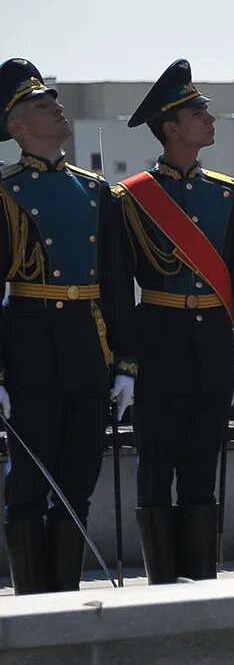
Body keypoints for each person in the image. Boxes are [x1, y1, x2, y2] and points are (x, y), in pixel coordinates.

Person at [116, 60, 234, 582]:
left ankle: (201, 578)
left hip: (213, 345)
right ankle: (161, 582)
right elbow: (116, 287)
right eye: (197, 110)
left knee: (202, 468)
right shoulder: (131, 197)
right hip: (158, 341)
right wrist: (125, 362)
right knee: (155, 467)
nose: (209, 117)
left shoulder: (226, 192)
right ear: (170, 127)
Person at [0, 59, 136, 594]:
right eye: (40, 103)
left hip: (87, 344)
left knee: (78, 479)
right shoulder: (7, 191)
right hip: (30, 342)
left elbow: (117, 281)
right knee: (31, 482)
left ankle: (65, 592)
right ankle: (35, 602)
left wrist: (126, 363)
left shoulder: (95, 189)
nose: (55, 106)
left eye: (54, 99)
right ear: (17, 128)